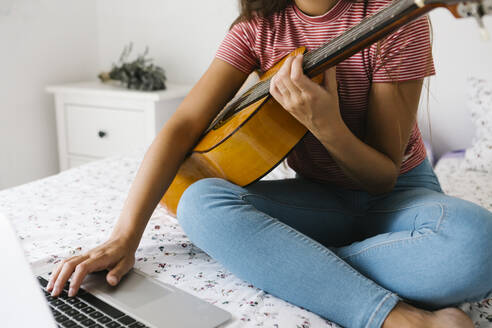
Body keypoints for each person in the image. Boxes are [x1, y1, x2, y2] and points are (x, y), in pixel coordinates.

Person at [47, 0, 492, 327]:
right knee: (200, 202)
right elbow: (182, 125)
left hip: (399, 197)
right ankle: (396, 318)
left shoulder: (396, 19)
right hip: (319, 199)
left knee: (478, 246)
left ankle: (287, 264)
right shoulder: (256, 29)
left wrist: (326, 125)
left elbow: (380, 179)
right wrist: (125, 237)